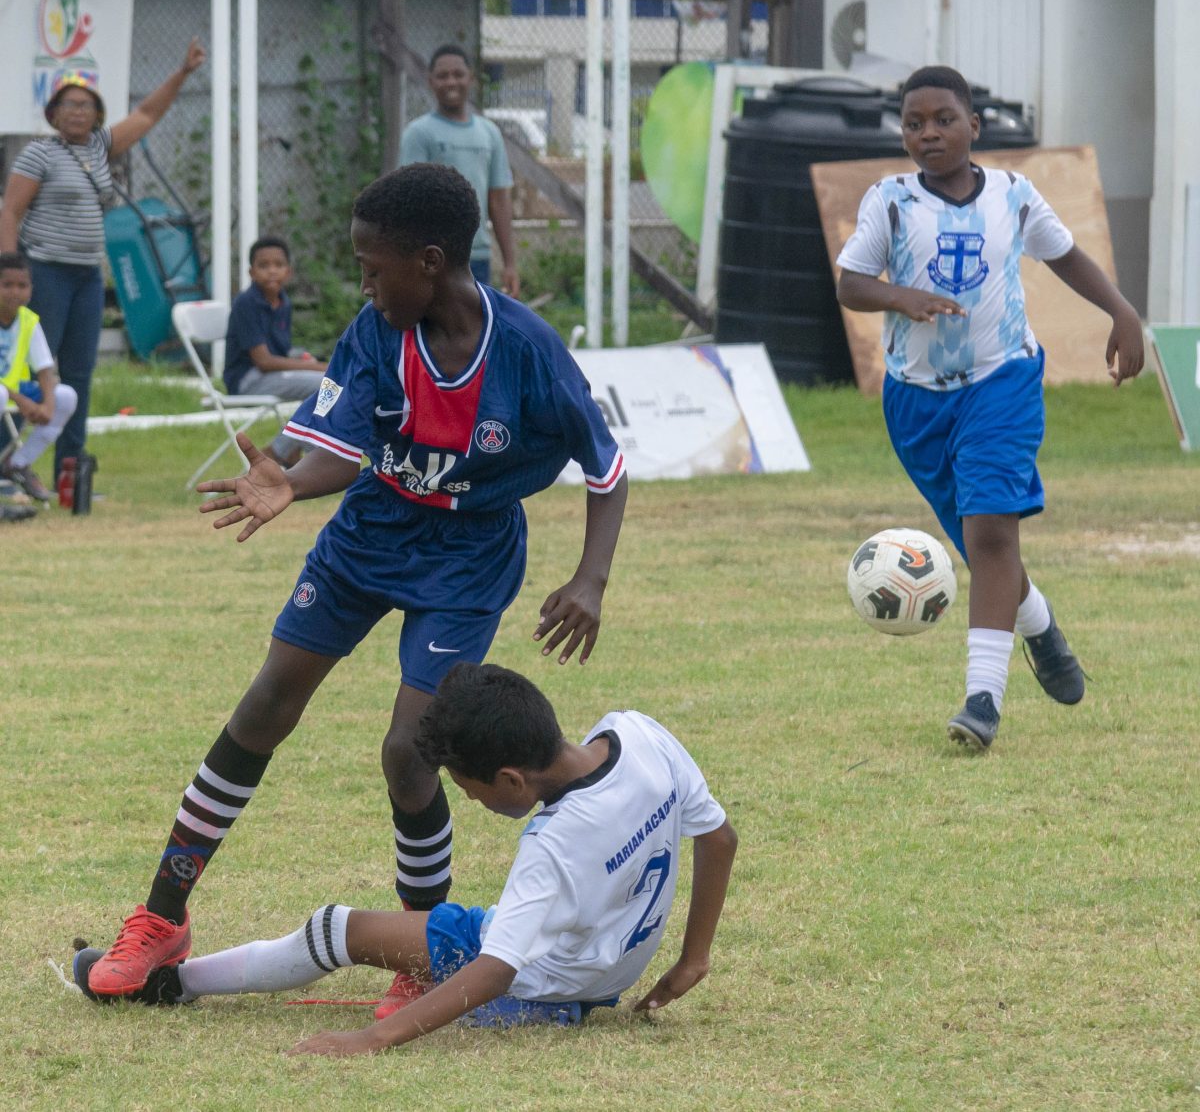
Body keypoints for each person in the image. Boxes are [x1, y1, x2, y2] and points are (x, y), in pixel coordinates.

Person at [85, 163, 628, 1015]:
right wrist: (292, 484)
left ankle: (424, 950)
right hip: (369, 535)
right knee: (265, 704)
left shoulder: (525, 349)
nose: (366, 287)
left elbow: (607, 464)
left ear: (432, 261)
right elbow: (341, 444)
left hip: (470, 558)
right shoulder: (376, 334)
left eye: (377, 270)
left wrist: (590, 578)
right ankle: (160, 919)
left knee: (410, 751)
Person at [76, 663, 738, 1060]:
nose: (470, 799)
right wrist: (693, 958)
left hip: (548, 989)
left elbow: (496, 971)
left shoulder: (554, 844)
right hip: (605, 970)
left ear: (510, 780)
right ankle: (175, 982)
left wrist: (372, 1045)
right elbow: (719, 839)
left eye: (467, 788)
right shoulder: (640, 734)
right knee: (440, 936)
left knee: (339, 929)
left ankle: (171, 985)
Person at [835, 65, 1144, 752]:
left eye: (944, 119)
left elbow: (1065, 258)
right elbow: (852, 284)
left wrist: (1122, 312)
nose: (929, 133)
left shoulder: (1012, 194)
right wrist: (901, 298)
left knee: (992, 538)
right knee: (983, 546)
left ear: (974, 126)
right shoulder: (889, 203)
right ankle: (1040, 628)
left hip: (1001, 383)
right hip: (915, 403)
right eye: (914, 123)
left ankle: (983, 701)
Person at [0, 40, 206, 481]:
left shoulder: (98, 148)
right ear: (53, 114)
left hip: (87, 277)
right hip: (45, 272)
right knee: (31, 368)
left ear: (97, 114)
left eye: (87, 105)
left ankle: (69, 472)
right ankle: (9, 461)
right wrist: (9, 269)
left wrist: (182, 73)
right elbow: (10, 211)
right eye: (69, 104)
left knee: (79, 371)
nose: (78, 111)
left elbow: (148, 114)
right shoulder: (40, 153)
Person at [400, 44, 520, 297]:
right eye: (443, 76)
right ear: (431, 82)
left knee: (475, 333)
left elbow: (498, 200)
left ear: (471, 78)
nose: (451, 81)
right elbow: (408, 202)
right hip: (433, 258)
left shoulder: (489, 133)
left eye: (458, 74)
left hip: (476, 256)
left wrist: (509, 263)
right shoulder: (418, 133)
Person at [223, 235, 329, 466]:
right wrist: (314, 367)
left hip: (271, 376)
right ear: (251, 272)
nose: (272, 271)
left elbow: (281, 351)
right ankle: (281, 451)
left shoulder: (284, 302)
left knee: (326, 385)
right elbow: (263, 361)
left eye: (278, 265)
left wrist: (302, 358)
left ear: (288, 272)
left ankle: (299, 454)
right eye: (264, 265)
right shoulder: (247, 303)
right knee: (325, 383)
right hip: (247, 381)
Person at [0, 252, 78, 502]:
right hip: (7, 394)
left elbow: (45, 369)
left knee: (66, 396)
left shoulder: (28, 321)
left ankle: (17, 465)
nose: (15, 292)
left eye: (22, 285)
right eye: (7, 285)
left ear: (31, 289)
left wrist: (47, 405)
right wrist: (23, 401)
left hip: (13, 392)